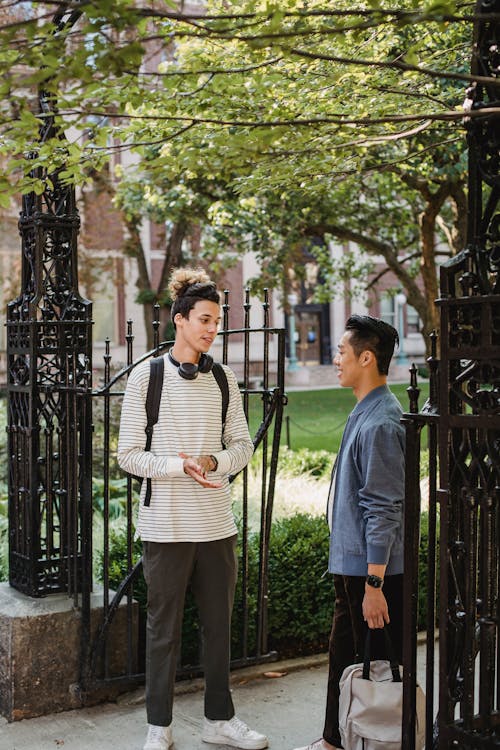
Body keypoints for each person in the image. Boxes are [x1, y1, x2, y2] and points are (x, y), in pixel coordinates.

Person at [118, 268, 268, 750]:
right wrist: (177, 466)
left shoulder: (223, 378)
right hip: (165, 526)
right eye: (204, 319)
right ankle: (158, 727)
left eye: (217, 321)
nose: (212, 329)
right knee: (163, 631)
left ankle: (219, 721)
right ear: (179, 320)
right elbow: (127, 455)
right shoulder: (148, 376)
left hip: (216, 525)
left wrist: (213, 460)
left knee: (219, 629)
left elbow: (243, 446)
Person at [293, 314, 405, 750]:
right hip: (352, 567)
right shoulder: (365, 411)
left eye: (341, 352)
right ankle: (334, 740)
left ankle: (373, 742)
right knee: (345, 661)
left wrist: (374, 584)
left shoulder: (381, 423)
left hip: (370, 573)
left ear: (366, 357)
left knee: (375, 671)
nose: (335, 359)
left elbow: (383, 508)